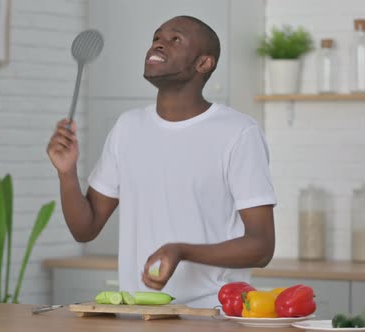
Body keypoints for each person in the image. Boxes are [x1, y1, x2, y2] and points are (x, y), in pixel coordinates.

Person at [47, 15, 276, 308]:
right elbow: (85, 228)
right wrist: (66, 173)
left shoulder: (239, 132)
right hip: (140, 314)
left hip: (212, 314)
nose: (158, 43)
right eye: (156, 37)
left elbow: (261, 246)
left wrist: (181, 251)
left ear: (204, 63)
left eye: (174, 39)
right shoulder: (127, 127)